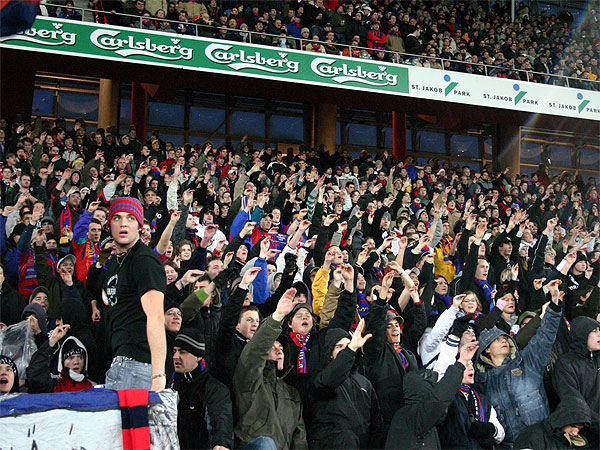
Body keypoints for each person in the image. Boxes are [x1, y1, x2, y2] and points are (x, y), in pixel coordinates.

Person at [474, 279, 564, 444]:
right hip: (510, 445)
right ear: (486, 349)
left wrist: (554, 305)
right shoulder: (481, 381)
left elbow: (545, 336)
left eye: (505, 338)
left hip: (542, 441)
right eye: (497, 340)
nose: (503, 341)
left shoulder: (527, 363)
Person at [102, 197, 167, 391]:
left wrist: (158, 375)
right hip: (119, 363)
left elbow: (156, 317)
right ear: (109, 225)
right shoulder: (115, 263)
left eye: (130, 218)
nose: (123, 223)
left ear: (139, 226)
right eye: (117, 218)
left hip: (140, 366)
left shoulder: (144, 259)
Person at [233, 288, 308, 450]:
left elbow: (299, 440)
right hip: (254, 446)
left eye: (281, 348)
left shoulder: (292, 394)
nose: (278, 351)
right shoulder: (250, 380)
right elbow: (255, 352)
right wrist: (277, 317)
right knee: (266, 444)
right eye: (273, 347)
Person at [308, 319, 384, 449]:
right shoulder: (320, 377)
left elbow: (376, 425)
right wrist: (351, 349)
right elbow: (327, 382)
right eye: (339, 346)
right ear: (330, 353)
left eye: (348, 345)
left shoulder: (364, 382)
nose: (345, 349)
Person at [170, 328, 233, 450]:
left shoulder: (214, 389)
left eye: (183, 352)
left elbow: (220, 418)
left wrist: (221, 443)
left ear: (198, 357)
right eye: (174, 351)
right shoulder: (169, 385)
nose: (175, 356)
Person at [552, 316, 600, 446]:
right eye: (594, 331)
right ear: (582, 334)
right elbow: (573, 402)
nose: (599, 334)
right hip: (581, 433)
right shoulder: (566, 364)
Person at [27, 326, 94, 393]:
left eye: (80, 357)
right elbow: (35, 373)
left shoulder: (92, 387)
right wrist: (51, 342)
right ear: (62, 362)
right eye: (71, 358)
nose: (76, 362)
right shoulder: (54, 385)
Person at [514, 399, 592, 449]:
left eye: (579, 428)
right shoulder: (531, 436)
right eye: (573, 426)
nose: (575, 433)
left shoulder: (579, 440)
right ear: (564, 420)